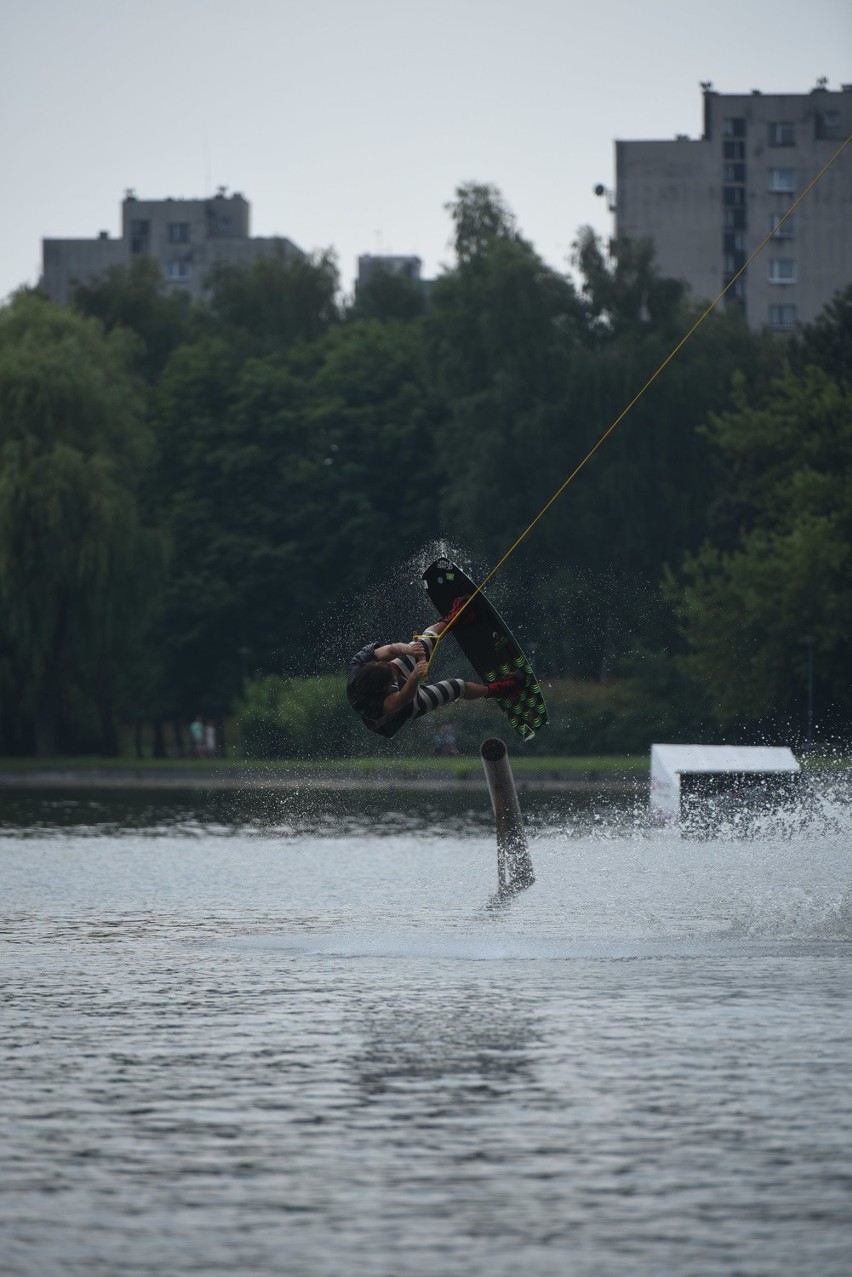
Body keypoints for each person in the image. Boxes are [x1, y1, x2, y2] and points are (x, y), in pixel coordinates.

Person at [347, 599, 525, 740]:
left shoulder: (360, 662)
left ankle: (453, 619)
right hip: (408, 704)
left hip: (397, 682)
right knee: (457, 686)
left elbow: (393, 649)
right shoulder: (371, 705)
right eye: (390, 680)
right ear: (380, 689)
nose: (394, 676)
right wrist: (415, 675)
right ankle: (496, 690)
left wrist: (409, 649)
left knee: (426, 640)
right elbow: (403, 698)